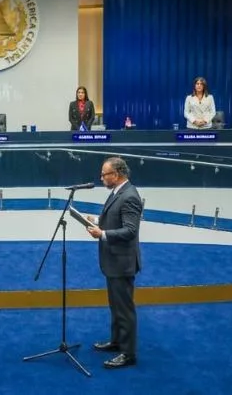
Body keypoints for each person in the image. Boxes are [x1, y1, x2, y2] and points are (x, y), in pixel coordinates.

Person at [86, 156, 142, 369]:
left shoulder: (129, 197)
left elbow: (130, 230)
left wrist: (102, 234)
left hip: (122, 262)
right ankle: (117, 341)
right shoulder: (117, 193)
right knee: (115, 306)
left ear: (116, 174)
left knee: (124, 309)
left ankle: (128, 354)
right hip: (114, 261)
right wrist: (97, 221)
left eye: (104, 174)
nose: (101, 178)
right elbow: (115, 219)